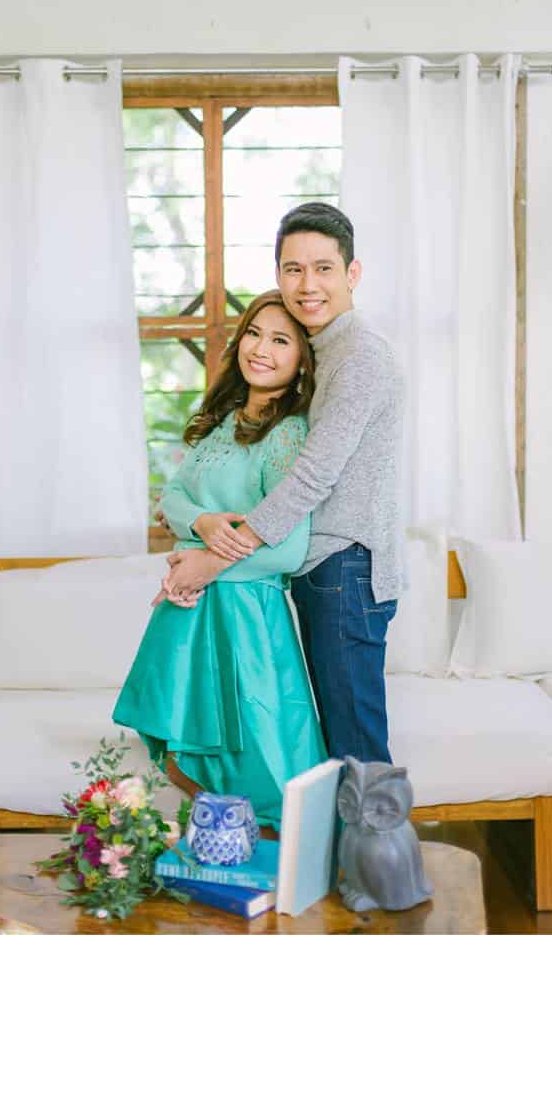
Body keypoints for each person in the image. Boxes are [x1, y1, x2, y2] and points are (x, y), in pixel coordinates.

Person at [156, 202, 405, 765]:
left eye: (323, 268)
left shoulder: (360, 355)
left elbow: (313, 475)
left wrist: (213, 560)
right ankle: (344, 830)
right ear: (278, 275)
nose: (307, 284)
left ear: (352, 273)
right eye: (294, 269)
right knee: (336, 748)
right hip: (323, 570)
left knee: (358, 749)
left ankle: (379, 830)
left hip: (346, 567)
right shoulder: (323, 348)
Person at [113, 292, 327, 828]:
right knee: (185, 751)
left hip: (246, 615)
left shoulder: (289, 433)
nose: (261, 349)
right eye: (254, 333)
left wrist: (202, 564)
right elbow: (173, 496)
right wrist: (204, 523)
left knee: (263, 760)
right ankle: (221, 850)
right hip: (191, 613)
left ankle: (271, 857)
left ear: (302, 361)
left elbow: (290, 548)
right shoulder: (222, 421)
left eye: (280, 341)